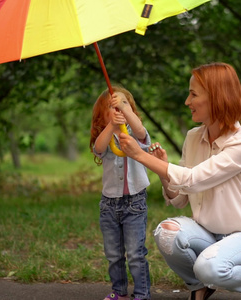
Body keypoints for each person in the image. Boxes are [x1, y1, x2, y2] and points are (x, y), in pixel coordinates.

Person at [118, 62, 241, 300]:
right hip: (207, 234)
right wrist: (163, 169)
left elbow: (193, 180)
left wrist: (139, 155)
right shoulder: (192, 137)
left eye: (193, 94)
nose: (187, 102)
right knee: (166, 233)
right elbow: (180, 199)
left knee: (208, 266)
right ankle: (199, 285)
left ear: (217, 97)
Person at [89, 85, 152, 300]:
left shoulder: (134, 133)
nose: (117, 107)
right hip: (109, 205)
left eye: (124, 103)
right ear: (102, 114)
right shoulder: (105, 137)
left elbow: (142, 132)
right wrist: (111, 126)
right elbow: (98, 148)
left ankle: (142, 294)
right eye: (111, 105)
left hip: (135, 203)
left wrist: (125, 112)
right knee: (114, 254)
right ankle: (119, 291)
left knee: (135, 254)